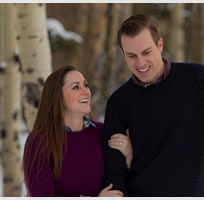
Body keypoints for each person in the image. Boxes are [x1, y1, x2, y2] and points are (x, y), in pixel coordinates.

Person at [102, 15, 204, 197]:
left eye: (146, 52)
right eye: (132, 56)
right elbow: (114, 167)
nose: (140, 63)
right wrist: (115, 191)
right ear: (122, 53)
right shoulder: (119, 101)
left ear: (160, 45)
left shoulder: (196, 77)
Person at [23, 65, 132, 197]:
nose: (86, 91)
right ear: (58, 97)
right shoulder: (39, 141)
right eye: (76, 87)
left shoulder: (102, 132)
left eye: (85, 85)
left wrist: (129, 156)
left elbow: (123, 181)